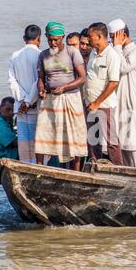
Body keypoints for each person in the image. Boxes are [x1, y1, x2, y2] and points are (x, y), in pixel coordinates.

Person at [35, 22, 88, 170]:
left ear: (62, 38)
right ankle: (39, 168)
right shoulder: (43, 55)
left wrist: (64, 87)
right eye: (50, 39)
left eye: (56, 40)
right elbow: (40, 78)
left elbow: (82, 78)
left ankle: (76, 172)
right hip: (50, 100)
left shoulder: (72, 52)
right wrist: (41, 90)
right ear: (46, 37)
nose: (53, 43)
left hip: (71, 99)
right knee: (43, 133)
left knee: (74, 136)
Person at [108, 19, 136, 168]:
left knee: (135, 144)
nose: (112, 41)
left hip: (132, 102)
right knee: (122, 145)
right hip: (118, 103)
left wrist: (117, 46)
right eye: (111, 38)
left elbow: (123, 67)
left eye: (114, 37)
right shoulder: (115, 51)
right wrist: (116, 47)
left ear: (123, 35)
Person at [84, 22, 124, 166]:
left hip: (104, 105)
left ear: (99, 36)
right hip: (90, 104)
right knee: (93, 140)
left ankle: (120, 171)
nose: (88, 39)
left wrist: (97, 103)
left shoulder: (111, 55)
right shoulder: (94, 54)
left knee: (111, 140)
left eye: (90, 36)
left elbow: (113, 82)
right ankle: (95, 167)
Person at [8, 24, 41, 164]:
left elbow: (11, 81)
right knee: (37, 144)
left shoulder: (15, 56)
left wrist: (22, 100)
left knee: (24, 145)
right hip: (35, 106)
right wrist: (28, 102)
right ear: (39, 39)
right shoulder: (40, 55)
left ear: (24, 38)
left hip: (20, 107)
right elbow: (38, 81)